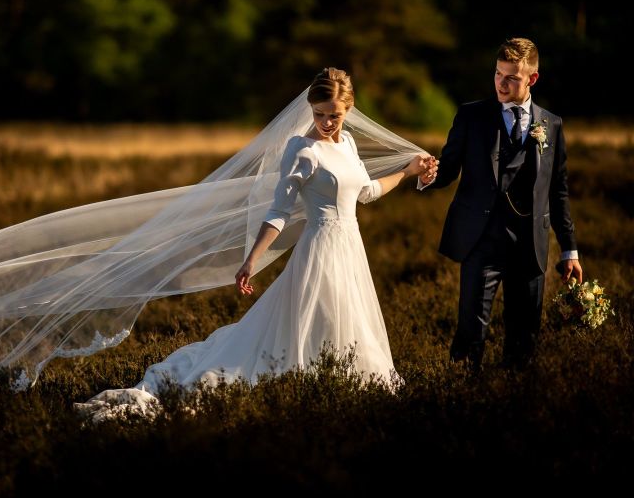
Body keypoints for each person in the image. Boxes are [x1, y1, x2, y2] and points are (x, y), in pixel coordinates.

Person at [75, 67, 436, 421]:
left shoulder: (348, 142)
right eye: (320, 114)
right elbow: (278, 211)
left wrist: (407, 171)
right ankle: (308, 385)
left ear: (349, 111)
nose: (327, 122)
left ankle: (343, 389)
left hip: (351, 249)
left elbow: (368, 193)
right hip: (320, 250)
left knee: (349, 319)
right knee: (317, 317)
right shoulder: (303, 149)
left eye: (335, 115)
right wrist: (252, 259)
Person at [420, 37, 581, 373]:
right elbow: (447, 170)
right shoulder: (471, 116)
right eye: (498, 74)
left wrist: (569, 250)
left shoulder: (551, 124)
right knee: (470, 336)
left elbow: (558, 190)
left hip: (530, 246)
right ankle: (457, 404)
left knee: (525, 340)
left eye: (511, 78)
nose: (501, 84)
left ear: (532, 79)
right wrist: (425, 174)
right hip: (481, 241)